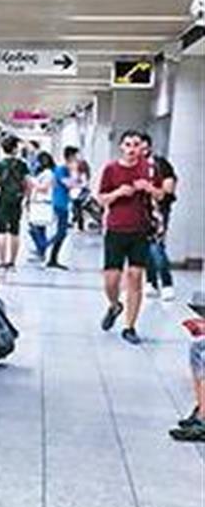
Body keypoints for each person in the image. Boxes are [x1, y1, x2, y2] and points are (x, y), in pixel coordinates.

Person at [96, 129, 160, 345]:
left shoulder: (149, 168)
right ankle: (115, 306)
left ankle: (130, 327)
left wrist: (149, 188)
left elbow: (162, 194)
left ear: (142, 147)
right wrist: (118, 193)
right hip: (115, 229)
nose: (132, 149)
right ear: (121, 147)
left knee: (135, 277)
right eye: (128, 144)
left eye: (136, 145)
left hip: (140, 230)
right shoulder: (111, 169)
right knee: (111, 280)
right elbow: (101, 198)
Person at [140, 133, 178, 301]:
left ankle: (167, 283)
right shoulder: (132, 166)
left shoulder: (160, 164)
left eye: (142, 146)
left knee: (156, 246)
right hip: (138, 212)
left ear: (148, 146)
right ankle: (151, 281)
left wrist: (151, 189)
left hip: (157, 212)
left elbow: (168, 189)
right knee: (145, 247)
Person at [0, 136, 30, 269]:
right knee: (15, 230)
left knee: (1, 231)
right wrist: (27, 198)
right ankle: (12, 262)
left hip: (3, 199)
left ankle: (2, 261)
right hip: (17, 200)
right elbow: (27, 183)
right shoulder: (22, 165)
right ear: (14, 149)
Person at [26, 152, 57, 264]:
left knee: (34, 228)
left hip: (42, 202)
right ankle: (41, 251)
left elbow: (43, 187)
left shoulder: (48, 173)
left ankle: (44, 246)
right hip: (37, 201)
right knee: (39, 228)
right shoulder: (43, 173)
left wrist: (32, 181)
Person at [46, 151, 73, 269]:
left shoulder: (64, 170)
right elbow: (69, 184)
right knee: (62, 232)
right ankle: (49, 252)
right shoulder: (61, 169)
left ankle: (52, 257)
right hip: (60, 203)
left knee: (62, 231)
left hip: (63, 202)